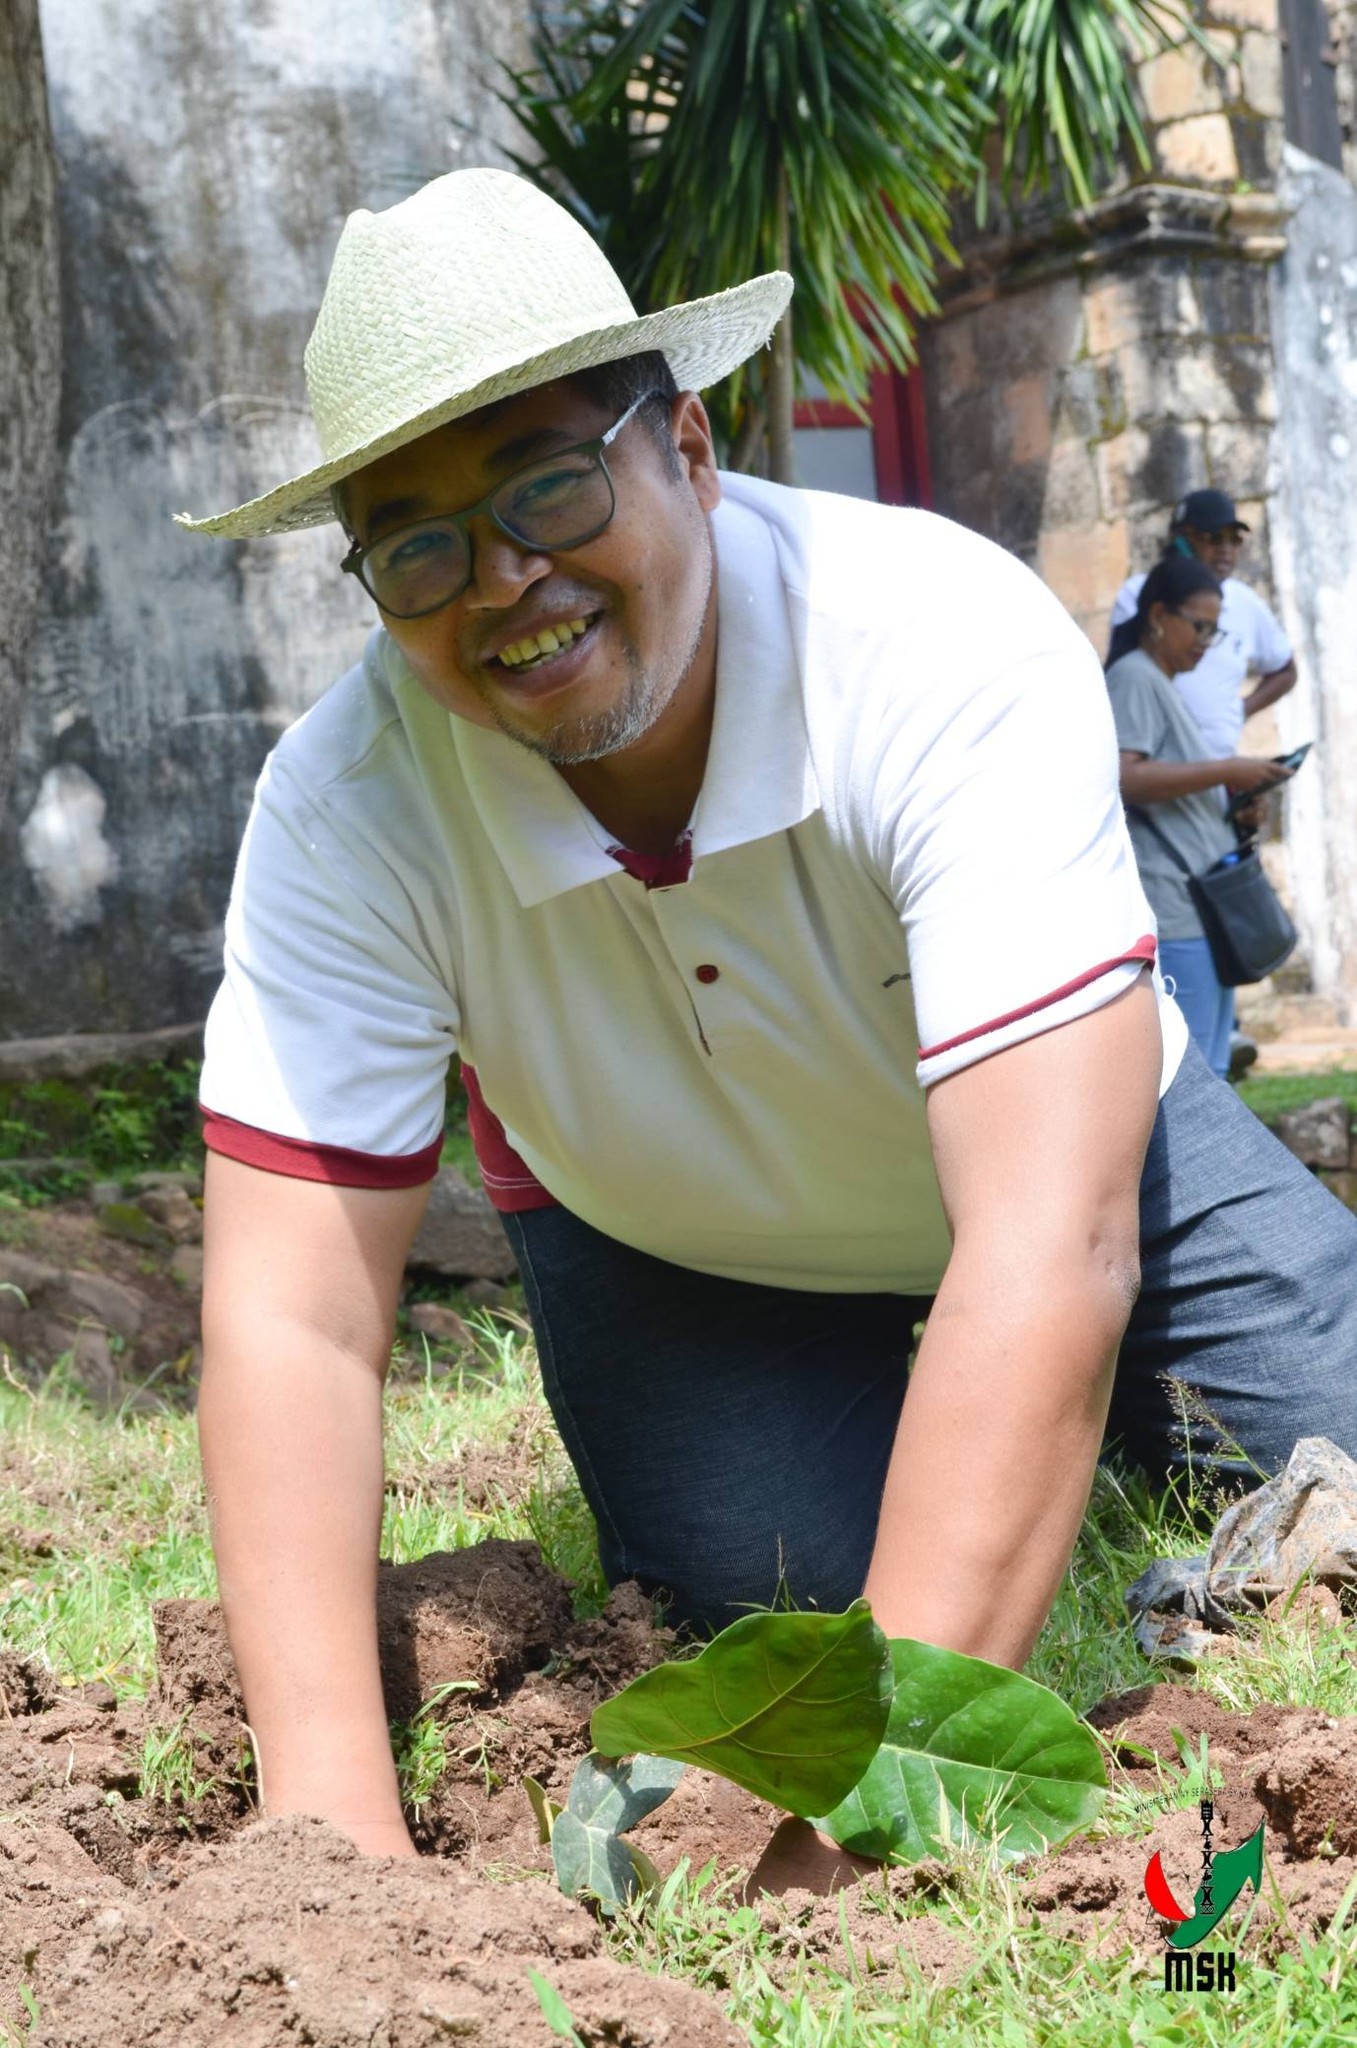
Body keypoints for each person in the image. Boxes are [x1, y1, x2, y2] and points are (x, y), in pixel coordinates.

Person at [179, 169, 1357, 1864]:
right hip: (676, 1242)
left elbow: (1052, 1234)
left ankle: (1065, 1423)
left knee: (1332, 1430)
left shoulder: (931, 639)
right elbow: (293, 1321)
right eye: (419, 543)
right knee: (769, 1602)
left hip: (1085, 1180)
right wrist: (329, 1844)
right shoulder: (345, 807)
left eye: (549, 481)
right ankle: (991, 1437)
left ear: (691, 449)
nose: (503, 578)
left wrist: (852, 1836)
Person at [1105, 555, 1293, 1079]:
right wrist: (1228, 768)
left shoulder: (1162, 682)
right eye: (1199, 626)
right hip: (1177, 904)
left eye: (1216, 630)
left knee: (1212, 1067)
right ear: (1158, 616)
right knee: (1194, 1075)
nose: (1207, 642)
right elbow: (1126, 777)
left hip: (1204, 905)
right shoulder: (1134, 677)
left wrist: (1235, 806)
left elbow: (1176, 789)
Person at [1108, 489, 1297, 759]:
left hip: (1213, 765)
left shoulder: (1245, 601)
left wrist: (1237, 712)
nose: (1226, 549)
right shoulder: (1138, 594)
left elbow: (1284, 669)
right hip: (1161, 762)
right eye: (1215, 538)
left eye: (1234, 539)